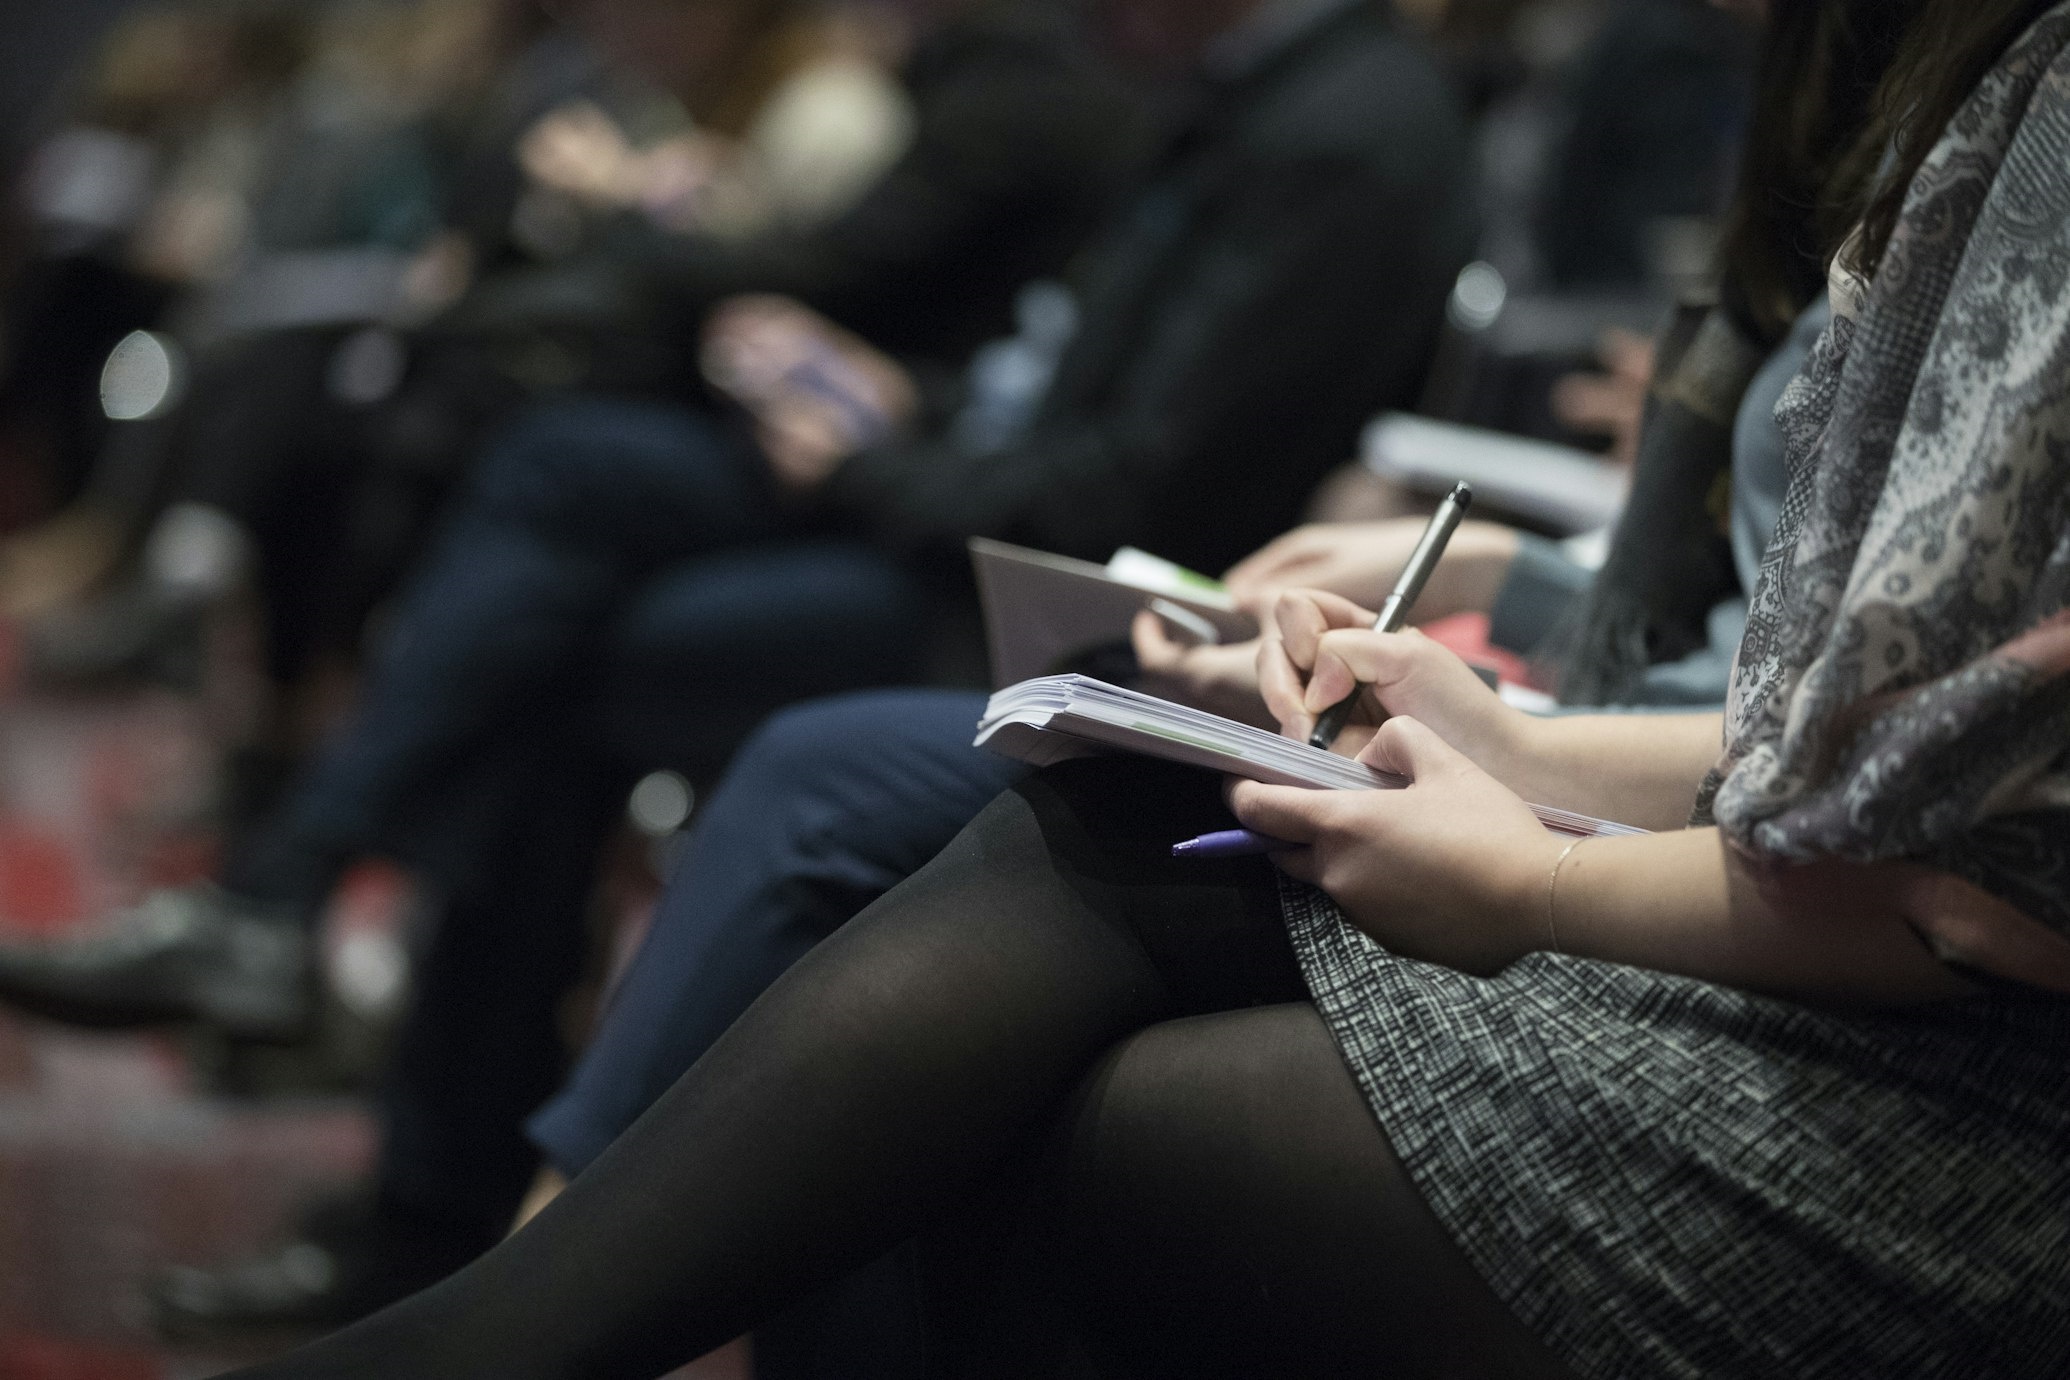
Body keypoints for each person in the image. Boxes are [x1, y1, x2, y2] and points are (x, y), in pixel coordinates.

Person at [206, 0, 2070, 1374]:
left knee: (997, 1017)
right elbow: (1832, 730)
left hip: (1955, 1104)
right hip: (1756, 866)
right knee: (963, 760)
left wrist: (1546, 857)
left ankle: (471, 1281)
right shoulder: (1941, 104)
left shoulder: (1350, 119)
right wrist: (1509, 724)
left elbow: (1958, 868)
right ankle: (462, 1262)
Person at [6, 0, 1479, 1334]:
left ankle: (464, 1224)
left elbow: (1127, 498)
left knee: (582, 645)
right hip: (966, 512)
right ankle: (426, 1161)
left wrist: (872, 453)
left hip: (1089, 608)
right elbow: (1057, 380)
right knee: (558, 479)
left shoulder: (1326, 127)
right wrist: (904, 405)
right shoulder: (1223, 80)